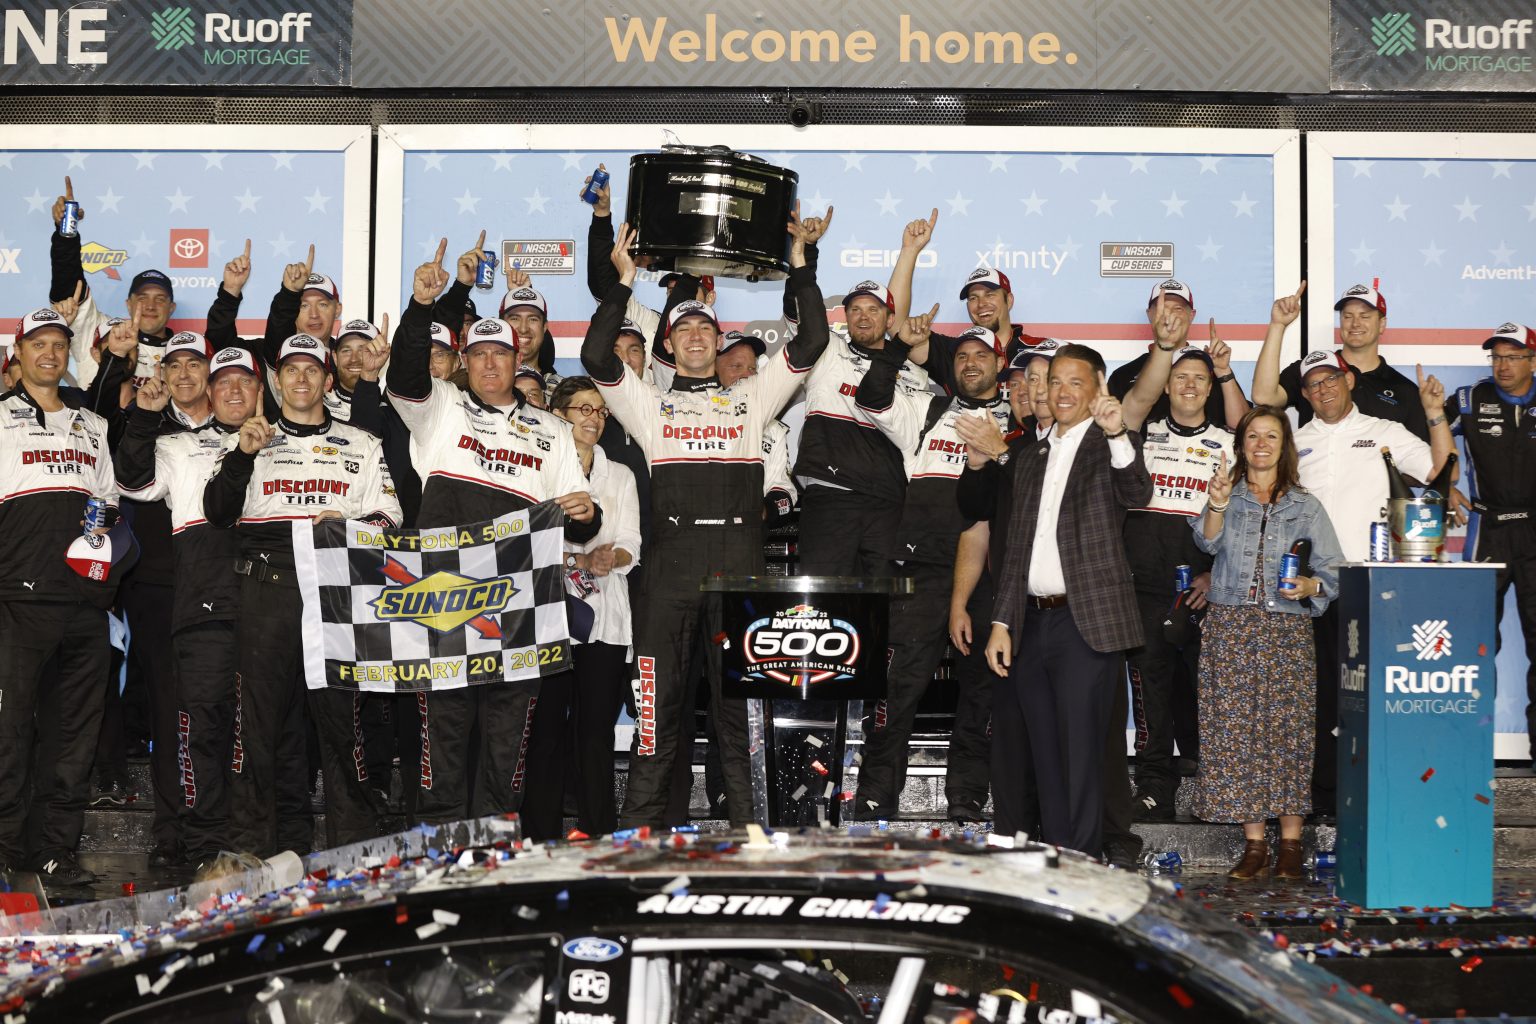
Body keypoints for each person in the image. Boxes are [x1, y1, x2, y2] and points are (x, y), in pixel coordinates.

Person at [580, 209, 832, 829]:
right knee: (655, 714)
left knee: (739, 718)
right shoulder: (649, 406)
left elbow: (812, 341)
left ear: (719, 342)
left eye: (705, 327)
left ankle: (751, 836)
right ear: (667, 343)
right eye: (683, 327)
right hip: (667, 572)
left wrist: (799, 265)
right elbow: (595, 354)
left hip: (738, 571)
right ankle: (638, 837)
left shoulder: (752, 398)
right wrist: (622, 283)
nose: (695, 335)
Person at [386, 238, 599, 827]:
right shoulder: (443, 409)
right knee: (445, 737)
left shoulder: (553, 431)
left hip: (519, 604)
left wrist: (587, 514)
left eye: (498, 355)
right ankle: (442, 848)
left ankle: (495, 849)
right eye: (476, 354)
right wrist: (419, 307)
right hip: (444, 598)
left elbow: (581, 514)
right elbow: (404, 375)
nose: (487, 364)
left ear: (517, 362)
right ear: (462, 361)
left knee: (507, 744)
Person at [203, 334, 402, 855]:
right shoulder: (248, 439)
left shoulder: (362, 443)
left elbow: (391, 517)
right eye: (290, 369)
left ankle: (355, 857)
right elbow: (217, 512)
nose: (300, 378)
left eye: (311, 370)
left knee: (342, 729)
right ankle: (250, 856)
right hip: (266, 590)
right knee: (258, 731)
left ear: (328, 380)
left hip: (336, 594)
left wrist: (351, 522)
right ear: (278, 381)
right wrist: (242, 457)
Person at [961, 344, 1152, 856]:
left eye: (1075, 383)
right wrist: (1001, 621)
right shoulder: (1033, 453)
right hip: (1029, 623)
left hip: (1086, 622)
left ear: (1097, 390)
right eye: (1055, 383)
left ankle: (1083, 863)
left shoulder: (1109, 443)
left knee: (1082, 755)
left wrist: (1116, 432)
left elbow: (1137, 492)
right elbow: (1016, 548)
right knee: (1044, 755)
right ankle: (1055, 859)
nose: (1061, 392)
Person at [852, 320, 1010, 821]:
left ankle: (967, 797)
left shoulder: (1019, 415)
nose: (970, 363)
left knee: (982, 691)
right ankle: (877, 794)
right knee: (896, 688)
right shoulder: (929, 407)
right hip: (917, 568)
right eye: (961, 356)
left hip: (985, 573)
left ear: (1000, 365)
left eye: (981, 355)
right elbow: (874, 398)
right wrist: (897, 346)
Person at [115, 346, 264, 867]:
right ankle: (182, 835)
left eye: (195, 365)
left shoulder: (272, 433)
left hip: (258, 596)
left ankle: (252, 838)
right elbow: (131, 483)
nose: (183, 374)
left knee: (261, 724)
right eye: (173, 364)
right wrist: (143, 416)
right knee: (181, 718)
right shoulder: (168, 437)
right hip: (171, 596)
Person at [1291, 346, 1446, 815]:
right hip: (1313, 588)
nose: (1325, 389)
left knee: (1373, 694)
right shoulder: (1296, 441)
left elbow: (1438, 473)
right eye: (1314, 384)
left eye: (1331, 379)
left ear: (1350, 380)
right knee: (1318, 696)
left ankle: (1381, 793)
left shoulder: (1385, 433)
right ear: (1304, 394)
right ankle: (1324, 798)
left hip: (1373, 583)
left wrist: (1435, 416)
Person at [1192, 406, 1344, 880]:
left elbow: (1334, 571)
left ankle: (1292, 843)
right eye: (1252, 436)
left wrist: (1311, 588)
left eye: (1271, 436)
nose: (1261, 444)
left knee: (1288, 732)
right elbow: (1205, 542)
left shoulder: (1306, 505)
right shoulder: (1227, 496)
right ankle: (1254, 844)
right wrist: (1216, 503)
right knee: (1235, 735)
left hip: (1286, 632)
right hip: (1231, 627)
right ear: (1242, 446)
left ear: (1284, 445)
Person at [0, 308, 122, 885]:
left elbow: (108, 509)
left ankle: (54, 851)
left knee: (74, 738)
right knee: (8, 735)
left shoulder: (90, 425)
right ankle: (4, 850)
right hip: (15, 603)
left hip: (83, 608)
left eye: (59, 343)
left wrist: (104, 571)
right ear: (17, 353)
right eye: (38, 343)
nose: (49, 353)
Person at [1117, 343, 1236, 821]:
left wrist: (1215, 572)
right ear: (1166, 385)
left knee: (1213, 692)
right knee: (1151, 693)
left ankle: (1222, 790)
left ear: (1211, 387)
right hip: (1143, 588)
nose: (1189, 385)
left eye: (1199, 379)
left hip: (1206, 590)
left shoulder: (1230, 444)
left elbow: (1243, 524)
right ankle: (1152, 787)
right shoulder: (1141, 434)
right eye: (1180, 377)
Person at [542, 377, 643, 837]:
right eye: (583, 408)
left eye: (600, 410)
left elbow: (630, 544)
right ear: (558, 415)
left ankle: (598, 830)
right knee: (543, 728)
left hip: (604, 618)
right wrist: (577, 558)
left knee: (595, 733)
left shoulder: (619, 474)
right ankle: (535, 832)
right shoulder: (538, 468)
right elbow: (526, 541)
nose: (593, 418)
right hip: (546, 617)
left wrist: (610, 557)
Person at [1446, 322, 1536, 770]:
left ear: (1532, 362)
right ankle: (1469, 749)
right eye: (1496, 356)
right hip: (1488, 530)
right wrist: (1446, 483)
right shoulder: (1469, 399)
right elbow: (1425, 438)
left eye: (1513, 356)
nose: (1502, 365)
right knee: (1475, 645)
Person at [1253, 281, 1430, 440]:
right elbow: (1263, 397)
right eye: (1347, 316)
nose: (1355, 323)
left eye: (1365, 316)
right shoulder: (1311, 370)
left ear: (1382, 324)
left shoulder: (1404, 390)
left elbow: (1420, 463)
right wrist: (1277, 325)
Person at [47, 177, 176, 389]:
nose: (150, 306)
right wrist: (66, 233)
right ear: (128, 304)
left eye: (160, 299)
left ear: (172, 308)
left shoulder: (184, 355)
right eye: (142, 298)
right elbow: (69, 285)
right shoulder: (102, 331)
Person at [1108, 279, 1249, 429]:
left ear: (1191, 315)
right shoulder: (1123, 375)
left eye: (1178, 309)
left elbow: (1243, 430)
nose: (1169, 315)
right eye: (1162, 308)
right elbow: (1112, 431)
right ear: (1149, 314)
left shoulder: (1213, 368)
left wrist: (1223, 372)